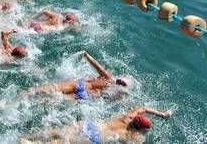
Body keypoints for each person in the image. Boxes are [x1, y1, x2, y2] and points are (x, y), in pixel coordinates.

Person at [21, 106, 172, 143]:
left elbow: (143, 108)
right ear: (140, 129)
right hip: (95, 138)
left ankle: (28, 137)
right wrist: (164, 115)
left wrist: (161, 114)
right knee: (63, 142)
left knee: (58, 131)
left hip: (92, 126)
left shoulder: (128, 117)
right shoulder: (133, 136)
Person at [24, 50, 128, 100]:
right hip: (85, 95)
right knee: (53, 99)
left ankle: (23, 96)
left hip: (81, 87)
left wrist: (87, 55)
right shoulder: (115, 90)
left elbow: (97, 66)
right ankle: (29, 101)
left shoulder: (109, 78)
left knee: (48, 90)